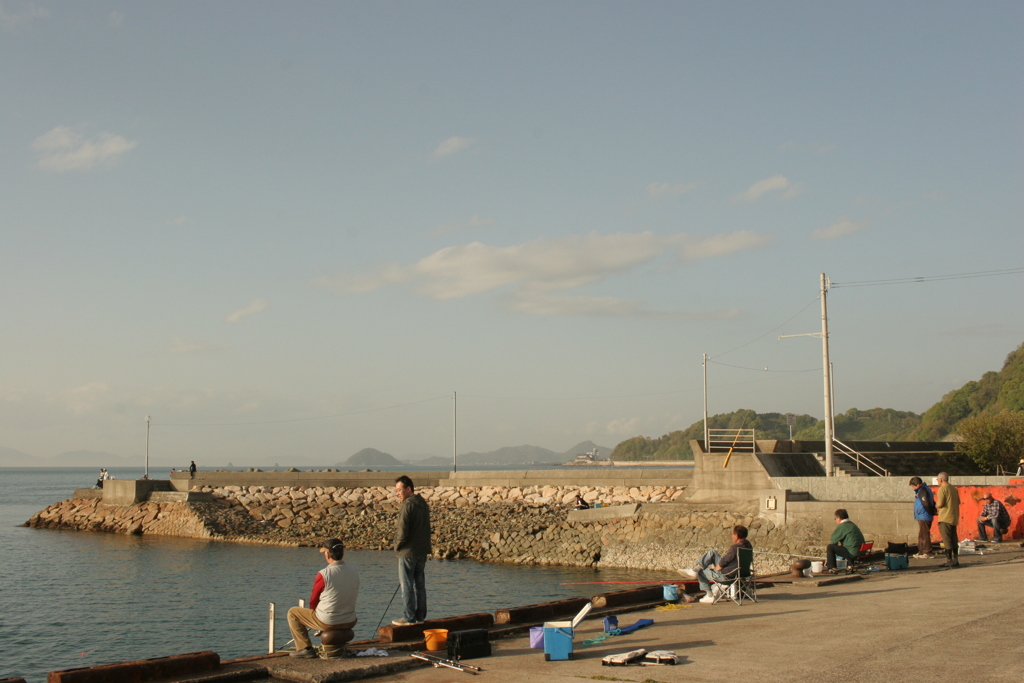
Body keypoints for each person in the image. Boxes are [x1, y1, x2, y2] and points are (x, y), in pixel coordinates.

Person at [287, 538, 359, 659]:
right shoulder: (354, 571)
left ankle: (305, 648)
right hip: (350, 619)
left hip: (328, 621)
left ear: (327, 554)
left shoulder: (324, 573)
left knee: (292, 613)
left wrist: (313, 617)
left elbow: (313, 600)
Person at [392, 475, 431, 626]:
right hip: (421, 551)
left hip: (408, 552)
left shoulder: (408, 505)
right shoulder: (422, 503)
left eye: (399, 490)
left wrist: (397, 546)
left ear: (408, 489)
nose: (397, 493)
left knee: (407, 585)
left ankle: (409, 618)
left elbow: (402, 531)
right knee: (420, 585)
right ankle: (420, 617)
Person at [678, 525, 752, 603]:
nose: (731, 536)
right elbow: (729, 560)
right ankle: (696, 568)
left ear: (736, 536)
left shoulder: (735, 548)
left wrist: (718, 567)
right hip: (741, 573)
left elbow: (725, 561)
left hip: (728, 576)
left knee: (701, 571)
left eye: (732, 534)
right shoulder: (748, 545)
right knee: (712, 553)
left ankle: (709, 595)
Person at [934, 472, 960, 567]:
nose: (937, 481)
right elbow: (958, 502)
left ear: (940, 479)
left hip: (945, 517)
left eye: (937, 479)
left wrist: (935, 506)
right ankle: (956, 559)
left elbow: (940, 503)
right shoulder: (953, 489)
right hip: (954, 517)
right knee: (954, 539)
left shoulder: (942, 489)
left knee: (947, 540)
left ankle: (949, 560)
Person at [909, 477, 936, 559]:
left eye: (913, 486)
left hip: (924, 515)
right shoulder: (923, 490)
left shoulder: (922, 491)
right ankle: (921, 551)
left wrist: (931, 512)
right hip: (923, 515)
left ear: (918, 485)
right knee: (921, 534)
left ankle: (927, 552)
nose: (913, 488)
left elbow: (926, 503)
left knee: (924, 534)